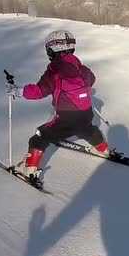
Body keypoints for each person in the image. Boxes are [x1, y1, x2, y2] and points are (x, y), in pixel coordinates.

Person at [12, 30, 108, 176]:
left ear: (53, 49)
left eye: (48, 50)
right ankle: (103, 149)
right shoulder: (80, 67)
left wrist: (18, 91)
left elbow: (39, 91)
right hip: (86, 113)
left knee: (39, 136)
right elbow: (92, 79)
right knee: (87, 129)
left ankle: (30, 170)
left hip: (66, 117)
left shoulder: (54, 70)